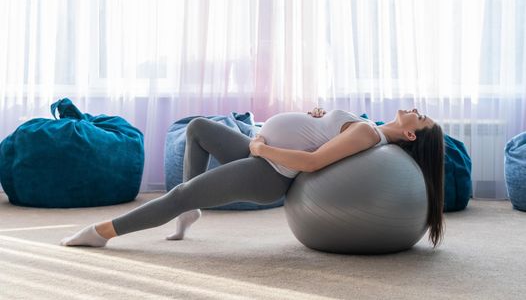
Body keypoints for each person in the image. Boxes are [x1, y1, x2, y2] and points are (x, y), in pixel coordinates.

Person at [60, 107, 444, 249]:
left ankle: (103, 233)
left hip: (269, 172)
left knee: (181, 191)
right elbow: (323, 138)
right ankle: (192, 208)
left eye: (420, 117)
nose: (415, 108)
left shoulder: (368, 135)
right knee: (197, 128)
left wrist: (261, 149)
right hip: (258, 150)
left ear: (411, 135)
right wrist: (321, 116)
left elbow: (310, 164)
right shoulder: (369, 127)